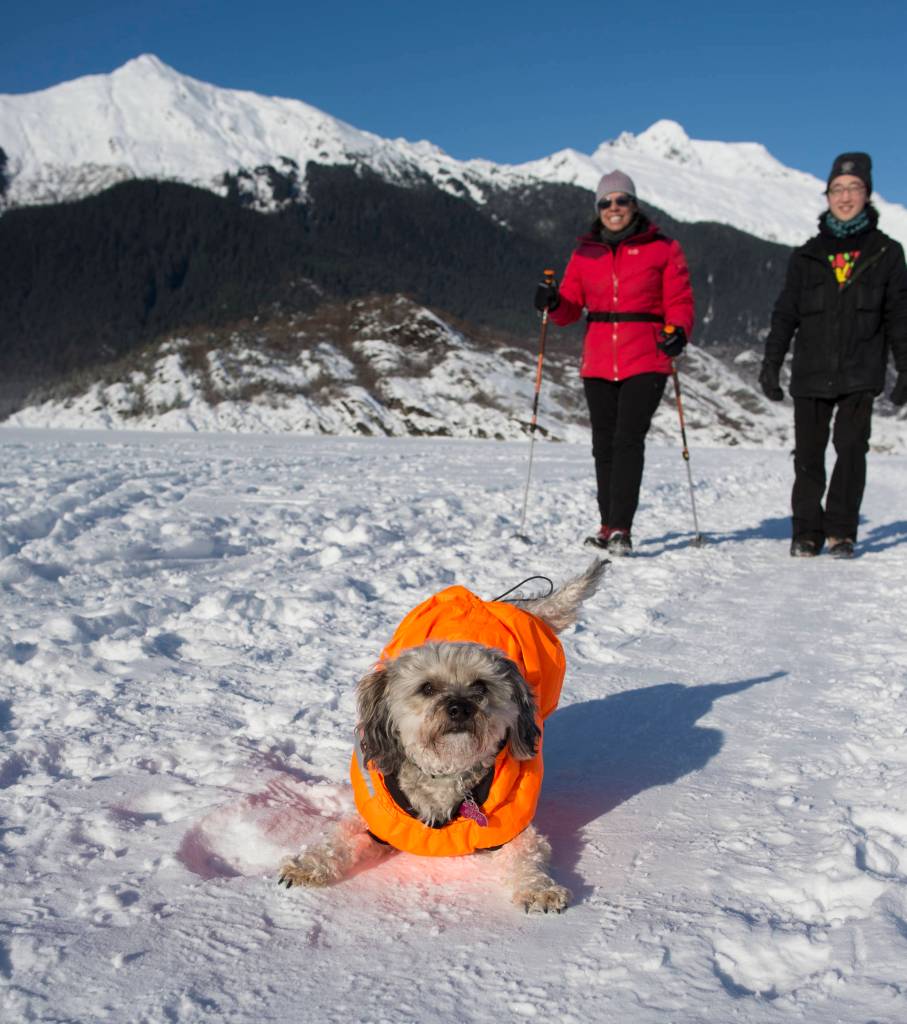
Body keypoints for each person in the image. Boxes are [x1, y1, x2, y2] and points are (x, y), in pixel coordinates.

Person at [534, 170, 695, 555]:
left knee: (627, 440)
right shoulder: (584, 253)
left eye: (621, 200)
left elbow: (680, 300)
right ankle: (606, 525)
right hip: (599, 361)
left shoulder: (663, 247)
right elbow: (571, 308)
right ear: (598, 209)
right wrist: (553, 302)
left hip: (648, 356)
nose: (614, 208)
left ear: (634, 205)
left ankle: (622, 528)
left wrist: (679, 331)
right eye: (606, 202)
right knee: (602, 445)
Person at [759, 152, 907, 559]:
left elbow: (899, 314)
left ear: (867, 194)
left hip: (861, 368)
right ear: (827, 196)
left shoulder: (886, 252)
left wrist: (905, 367)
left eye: (853, 188)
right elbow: (785, 312)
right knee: (808, 454)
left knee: (851, 447)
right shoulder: (808, 254)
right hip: (811, 370)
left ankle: (842, 531)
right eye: (837, 190)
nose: (845, 197)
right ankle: (807, 531)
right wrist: (771, 363)